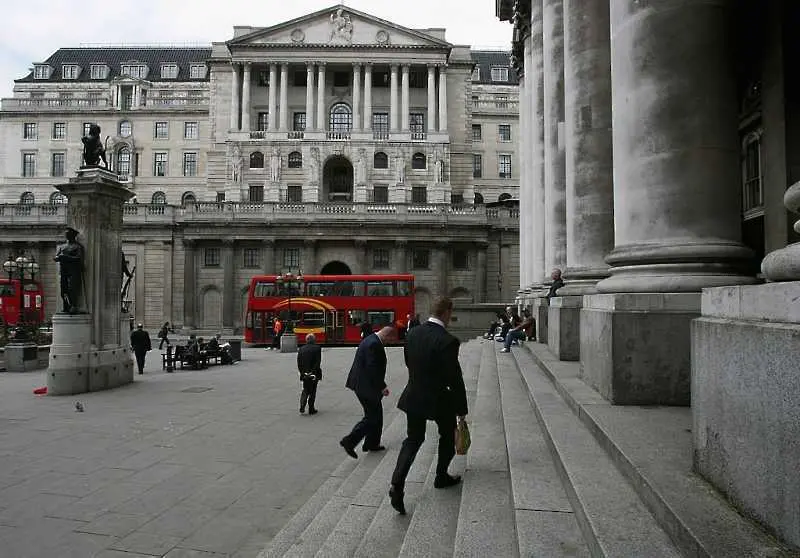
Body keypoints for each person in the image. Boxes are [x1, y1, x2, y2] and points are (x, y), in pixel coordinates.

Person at [389, 297, 468, 515]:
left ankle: (397, 484)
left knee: (413, 439)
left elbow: (408, 362)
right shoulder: (448, 341)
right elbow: (453, 378)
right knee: (447, 436)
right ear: (446, 312)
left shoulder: (412, 333)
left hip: (414, 395)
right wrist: (461, 410)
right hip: (439, 398)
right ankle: (441, 475)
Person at [340, 326, 396, 458]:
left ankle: (372, 443)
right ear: (387, 335)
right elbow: (372, 368)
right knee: (372, 417)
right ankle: (350, 441)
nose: (389, 343)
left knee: (376, 415)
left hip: (362, 384)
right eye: (389, 340)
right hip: (365, 386)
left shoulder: (370, 339)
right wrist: (382, 386)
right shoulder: (374, 344)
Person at [54, 227, 85, 313]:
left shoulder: (78, 246)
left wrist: (66, 257)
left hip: (74, 271)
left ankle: (73, 305)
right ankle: (66, 306)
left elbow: (79, 258)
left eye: (68, 234)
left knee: (72, 289)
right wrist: (58, 258)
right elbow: (56, 257)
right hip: (64, 271)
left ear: (73, 235)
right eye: (66, 233)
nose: (66, 235)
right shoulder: (62, 246)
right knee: (63, 290)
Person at [297, 333, 323, 415]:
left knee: (305, 389)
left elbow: (299, 363)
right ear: (314, 340)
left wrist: (303, 372)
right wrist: (312, 372)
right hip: (313, 374)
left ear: (306, 340)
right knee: (313, 391)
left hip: (304, 374)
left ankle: (302, 405)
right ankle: (311, 408)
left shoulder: (301, 349)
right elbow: (317, 362)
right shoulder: (317, 348)